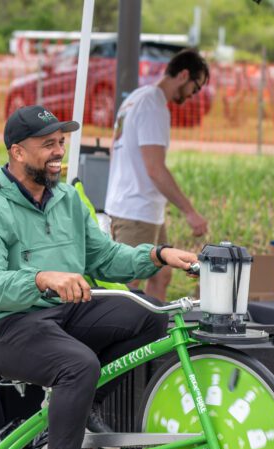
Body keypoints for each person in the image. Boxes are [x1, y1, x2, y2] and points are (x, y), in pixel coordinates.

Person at [0, 105, 197, 449]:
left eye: (61, 142)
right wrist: (43, 279)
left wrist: (158, 255)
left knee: (148, 317)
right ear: (17, 152)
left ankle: (85, 406)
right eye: (47, 144)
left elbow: (104, 257)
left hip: (59, 313)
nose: (59, 151)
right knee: (77, 364)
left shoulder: (67, 197)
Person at [104, 48, 209, 301]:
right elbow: (155, 169)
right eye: (196, 87)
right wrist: (190, 211)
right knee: (127, 284)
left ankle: (155, 328)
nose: (195, 95)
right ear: (184, 75)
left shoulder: (136, 98)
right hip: (136, 210)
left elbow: (114, 148)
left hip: (134, 206)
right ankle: (123, 337)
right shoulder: (154, 106)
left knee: (161, 275)